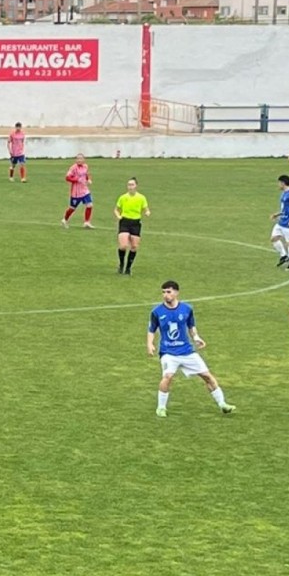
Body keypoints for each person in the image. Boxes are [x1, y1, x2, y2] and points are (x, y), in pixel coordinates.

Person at [147, 281, 235, 417]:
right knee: (168, 376)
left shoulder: (186, 309)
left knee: (207, 376)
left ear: (176, 293)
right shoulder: (157, 311)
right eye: (163, 292)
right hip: (168, 352)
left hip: (187, 351)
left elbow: (191, 326)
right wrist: (150, 344)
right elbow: (151, 329)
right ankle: (161, 408)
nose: (165, 295)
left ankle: (223, 404)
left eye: (168, 292)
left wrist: (196, 337)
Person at [114, 177, 150, 275]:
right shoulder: (123, 197)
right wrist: (118, 216)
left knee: (134, 246)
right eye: (129, 185)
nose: (130, 187)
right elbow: (116, 209)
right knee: (123, 245)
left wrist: (147, 212)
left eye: (132, 184)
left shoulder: (141, 198)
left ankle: (128, 268)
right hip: (125, 221)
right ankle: (121, 264)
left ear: (136, 186)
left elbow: (146, 208)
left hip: (135, 223)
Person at [61, 153, 94, 229]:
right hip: (76, 193)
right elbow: (67, 178)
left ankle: (86, 222)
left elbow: (86, 174)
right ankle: (65, 220)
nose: (79, 160)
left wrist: (88, 179)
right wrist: (76, 180)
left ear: (84, 159)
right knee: (72, 208)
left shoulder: (85, 166)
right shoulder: (73, 168)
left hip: (85, 190)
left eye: (81, 159)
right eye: (78, 159)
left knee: (89, 205)